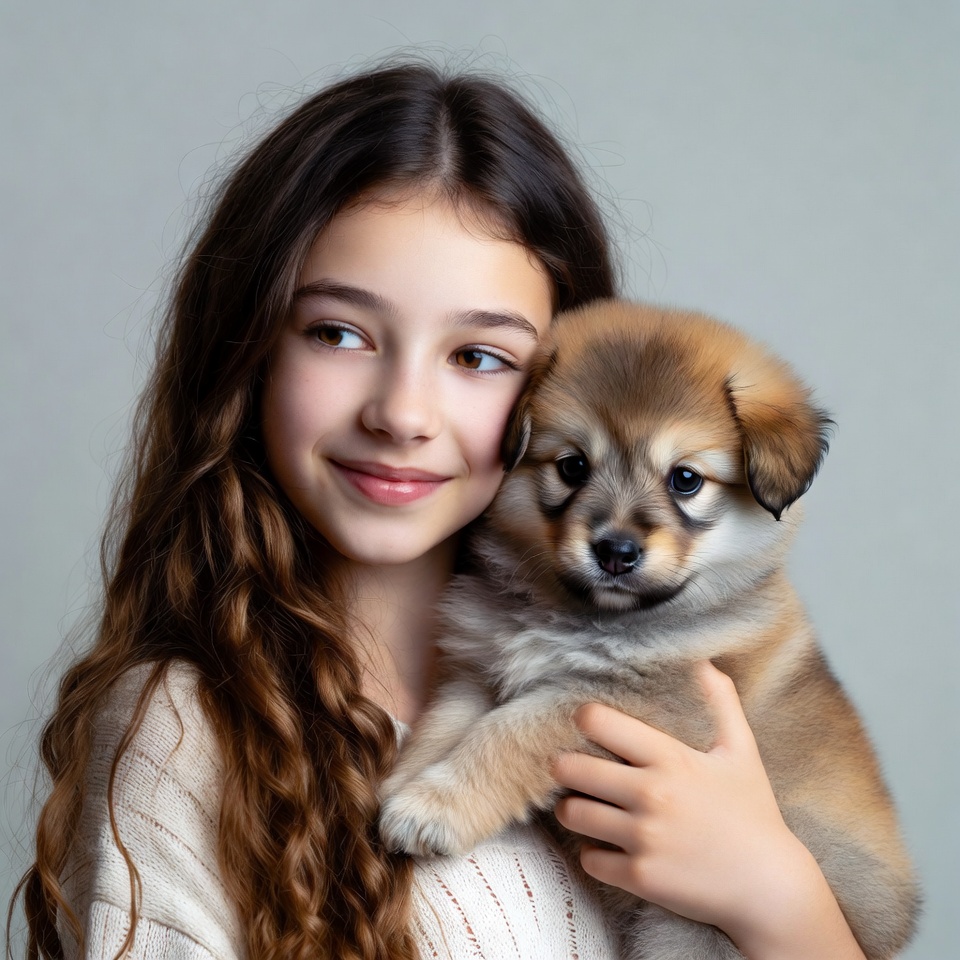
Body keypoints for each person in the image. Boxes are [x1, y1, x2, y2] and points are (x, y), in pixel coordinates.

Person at [12, 60, 870, 960]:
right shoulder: (189, 736)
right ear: (250, 351)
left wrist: (779, 897)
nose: (403, 413)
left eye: (479, 356)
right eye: (339, 333)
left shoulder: (681, 699)